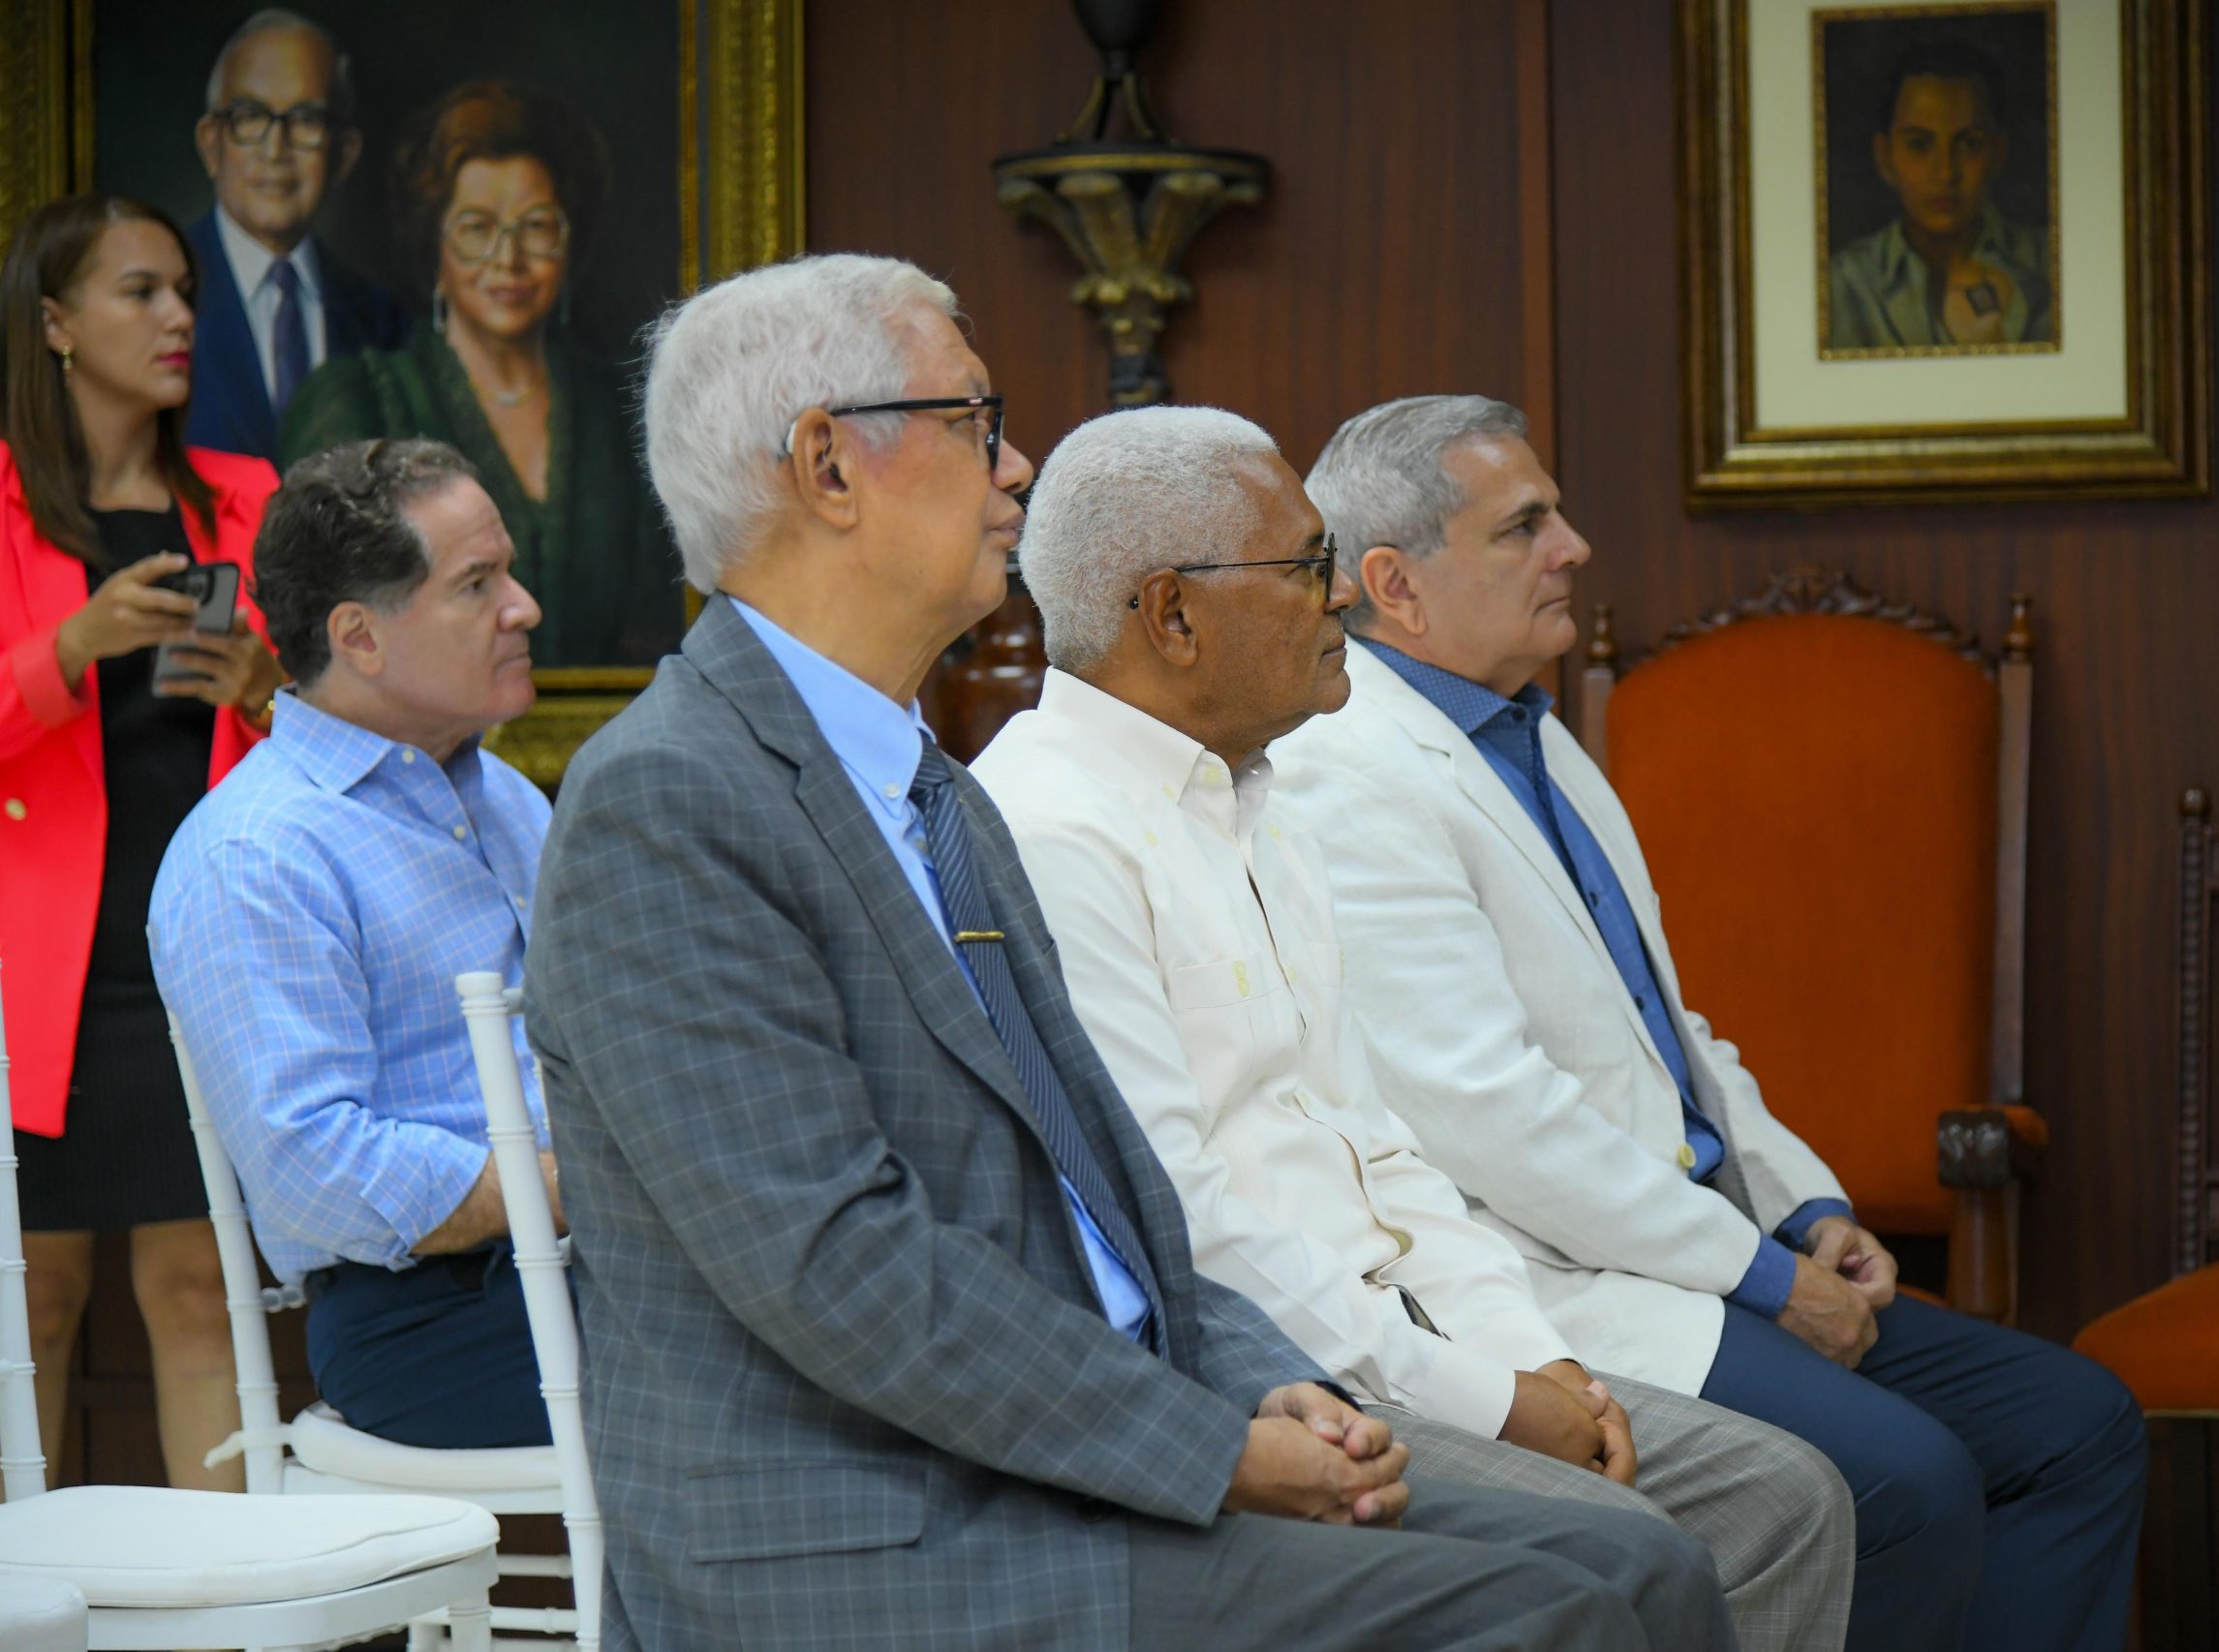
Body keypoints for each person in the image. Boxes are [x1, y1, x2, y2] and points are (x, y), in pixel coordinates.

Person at [523, 254, 1731, 1652]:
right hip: (874, 1530)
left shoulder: (936, 790)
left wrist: (1263, 1378)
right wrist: (1210, 1444)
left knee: (1646, 1565)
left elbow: (1104, 1193)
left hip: (1065, 1456)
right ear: (828, 466)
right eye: (976, 421)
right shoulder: (668, 798)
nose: (1016, 467)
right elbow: (838, 1267)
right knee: (1553, 1614)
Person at [1273, 394, 2151, 1652]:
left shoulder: (1529, 731)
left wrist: (1805, 1210)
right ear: (1394, 584)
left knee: (2076, 1425)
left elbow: (1670, 1032)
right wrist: (1768, 1277)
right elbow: (1495, 1116)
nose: (1573, 546)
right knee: (1910, 1488)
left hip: (1710, 1244)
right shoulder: (1346, 773)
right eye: (1525, 525)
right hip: (1566, 1281)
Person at [973, 404, 1855, 1652]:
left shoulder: (1256, 796)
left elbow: (1379, 1144)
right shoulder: (1052, 830)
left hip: (1429, 1334)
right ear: (1172, 614)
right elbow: (1191, 1225)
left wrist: (1535, 1361)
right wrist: (1492, 1397)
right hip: (1290, 1380)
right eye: (1306, 566)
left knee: (1788, 1501)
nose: (1340, 596)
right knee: (1638, 1558)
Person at [150, 437, 563, 1452]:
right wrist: (564, 1185)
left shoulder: (509, 799)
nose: (523, 607)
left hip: (592, 1260)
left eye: (507, 572)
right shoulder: (256, 852)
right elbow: (310, 1167)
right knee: (781, 1363)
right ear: (360, 636)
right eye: (477, 584)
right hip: (430, 1317)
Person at [1, 192, 286, 1490]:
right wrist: (71, 647)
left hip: (199, 957)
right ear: (55, 322)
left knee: (196, 1287)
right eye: (141, 292)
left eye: (185, 292)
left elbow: (323, 735)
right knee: (34, 1298)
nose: (179, 317)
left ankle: (226, 1598)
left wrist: (261, 688)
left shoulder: (245, 499)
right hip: (33, 974)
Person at [279, 80, 677, 668]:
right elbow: (323, 628)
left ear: (568, 245)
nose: (507, 259)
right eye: (476, 228)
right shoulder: (358, 400)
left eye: (535, 226)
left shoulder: (624, 408)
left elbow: (660, 619)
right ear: (433, 249)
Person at [187, 9, 406, 460]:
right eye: (250, 116)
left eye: (306, 120)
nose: (275, 150)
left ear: (343, 155)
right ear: (211, 144)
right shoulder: (158, 299)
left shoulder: (384, 323)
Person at [1825, 39, 2053, 351]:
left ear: (1998, 154)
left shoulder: (2051, 264)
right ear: (1884, 157)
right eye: (1919, 145)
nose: (1946, 173)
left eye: (1969, 144)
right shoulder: (1841, 285)